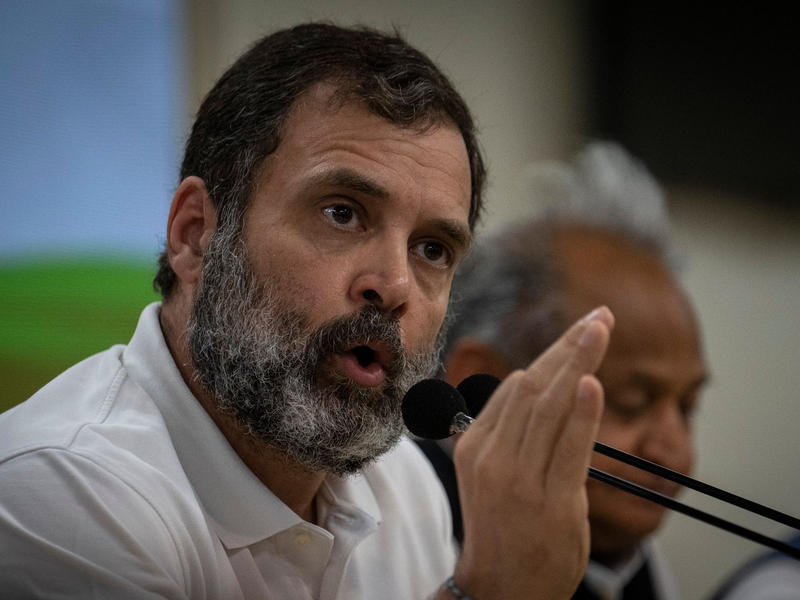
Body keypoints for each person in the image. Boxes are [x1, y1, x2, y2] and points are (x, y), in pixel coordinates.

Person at [0, 23, 615, 600]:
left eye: (433, 249)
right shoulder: (56, 489)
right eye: (342, 212)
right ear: (195, 235)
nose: (395, 284)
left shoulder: (406, 487)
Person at [417, 142, 708, 600]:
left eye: (687, 407)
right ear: (480, 386)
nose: (673, 450)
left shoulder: (632, 561)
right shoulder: (396, 536)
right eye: (631, 404)